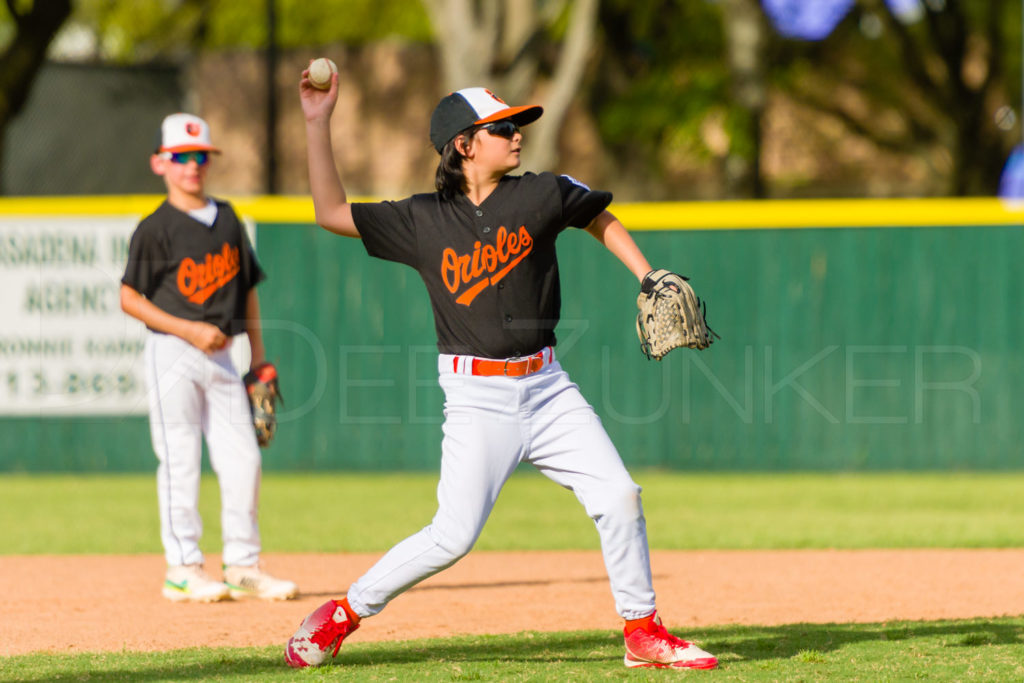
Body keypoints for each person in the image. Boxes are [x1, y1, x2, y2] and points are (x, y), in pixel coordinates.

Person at [284, 69, 718, 671]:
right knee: (452, 536)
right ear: (463, 144)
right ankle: (346, 611)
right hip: (475, 396)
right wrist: (316, 122)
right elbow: (330, 210)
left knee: (618, 495)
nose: (518, 136)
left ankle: (642, 630)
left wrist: (646, 275)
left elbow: (597, 216)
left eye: (518, 126)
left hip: (547, 388)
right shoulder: (421, 219)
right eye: (504, 128)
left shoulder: (540, 193)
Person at [120, 113, 298, 603]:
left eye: (200, 156)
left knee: (243, 459)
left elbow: (247, 291)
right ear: (160, 162)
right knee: (179, 457)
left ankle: (242, 564)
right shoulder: (155, 228)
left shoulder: (228, 218)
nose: (193, 166)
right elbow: (129, 297)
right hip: (173, 351)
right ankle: (183, 567)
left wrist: (258, 358)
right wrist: (187, 329)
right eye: (181, 157)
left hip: (222, 357)